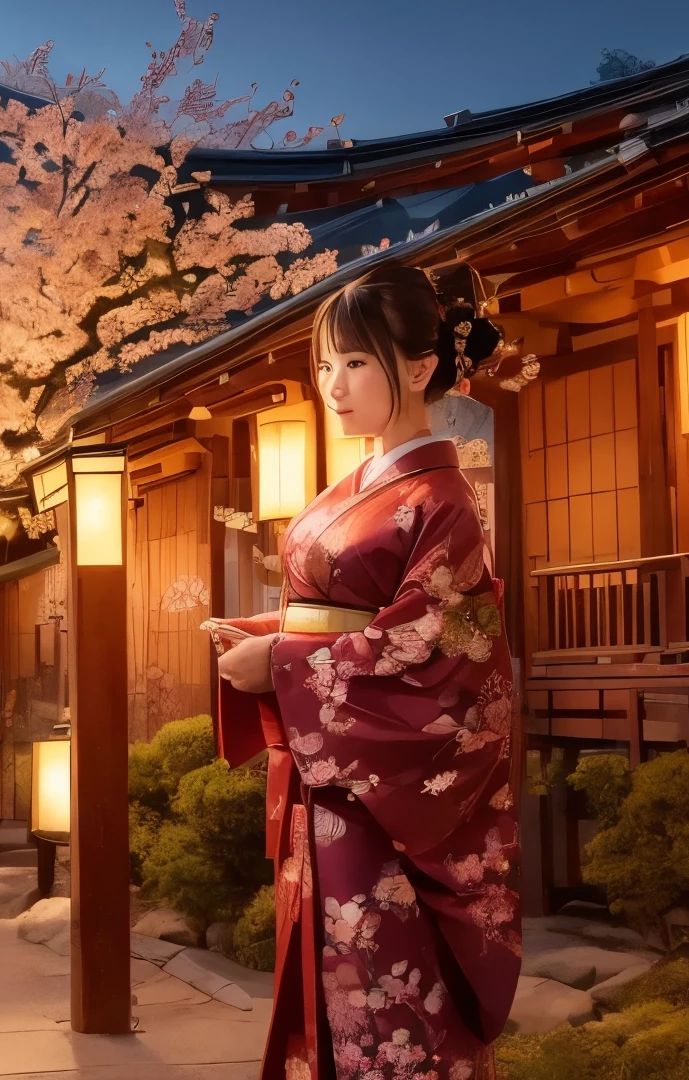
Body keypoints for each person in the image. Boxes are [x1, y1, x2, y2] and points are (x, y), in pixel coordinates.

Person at [207, 262, 518, 1080]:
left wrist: (280, 664)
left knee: (382, 987)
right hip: (333, 785)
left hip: (380, 802)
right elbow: (348, 620)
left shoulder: (440, 498)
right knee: (329, 980)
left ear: (417, 369)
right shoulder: (365, 484)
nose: (332, 387)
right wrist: (266, 634)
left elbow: (435, 655)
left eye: (355, 363)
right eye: (325, 364)